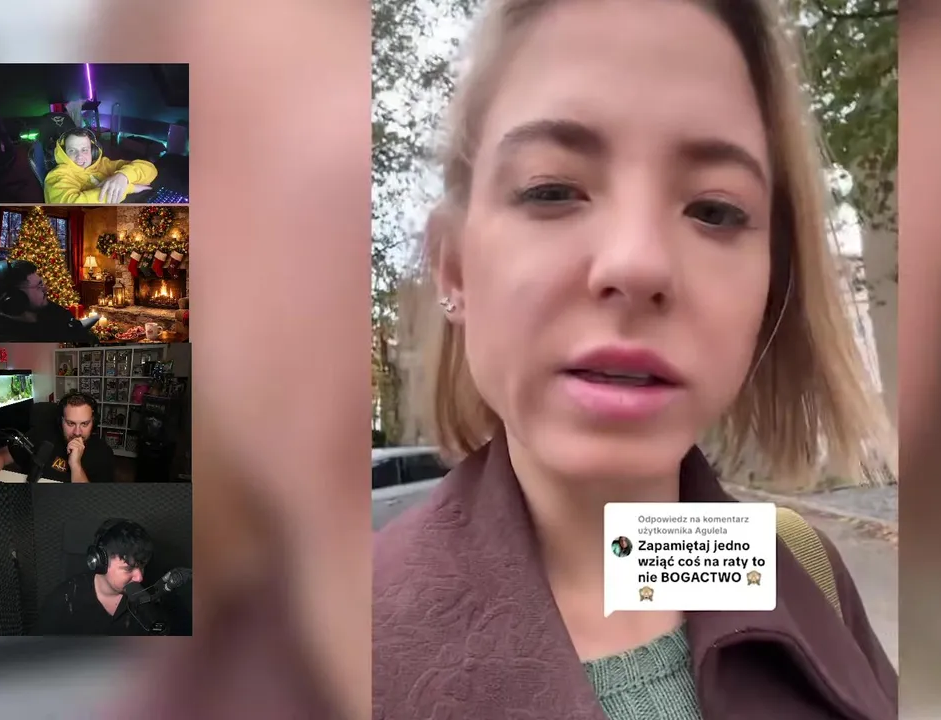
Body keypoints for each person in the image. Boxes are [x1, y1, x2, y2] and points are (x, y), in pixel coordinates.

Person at [373, 1, 898, 718]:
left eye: (714, 210)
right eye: (553, 190)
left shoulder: (803, 571)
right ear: (454, 268)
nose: (638, 262)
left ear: (771, 285)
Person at [38, 518, 158, 635]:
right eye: (128, 569)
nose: (139, 578)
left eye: (142, 566)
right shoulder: (63, 600)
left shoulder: (148, 603)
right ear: (100, 562)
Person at [0, 392, 116, 483]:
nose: (77, 432)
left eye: (84, 424)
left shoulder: (103, 453)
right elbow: (2, 455)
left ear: (93, 422)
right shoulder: (41, 434)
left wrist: (75, 465)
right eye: (71, 423)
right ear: (61, 420)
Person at [44, 127, 156, 204]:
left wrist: (123, 176)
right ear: (64, 153)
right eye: (72, 150)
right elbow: (72, 204)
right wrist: (127, 188)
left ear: (93, 151)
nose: (79, 156)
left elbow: (150, 169)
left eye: (84, 150)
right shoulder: (56, 176)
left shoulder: (104, 164)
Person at [0, 260, 99, 343]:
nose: (46, 289)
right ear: (15, 297)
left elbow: (76, 329)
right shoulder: (5, 339)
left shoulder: (49, 310)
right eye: (39, 286)